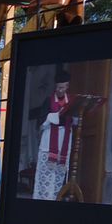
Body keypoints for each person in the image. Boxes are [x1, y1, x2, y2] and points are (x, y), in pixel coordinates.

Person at [31, 68, 76, 201]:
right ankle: (43, 198)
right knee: (46, 174)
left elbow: (75, 120)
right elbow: (40, 123)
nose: (61, 90)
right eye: (59, 87)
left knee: (59, 173)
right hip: (49, 140)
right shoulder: (48, 101)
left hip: (64, 142)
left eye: (63, 87)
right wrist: (53, 116)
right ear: (55, 86)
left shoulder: (72, 101)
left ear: (67, 86)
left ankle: (56, 197)